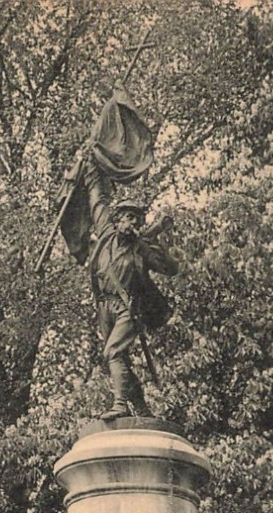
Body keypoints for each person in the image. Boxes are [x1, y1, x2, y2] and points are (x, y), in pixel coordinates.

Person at [84, 153, 179, 420]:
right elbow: (97, 201)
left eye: (137, 219)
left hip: (129, 309)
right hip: (104, 306)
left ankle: (120, 405)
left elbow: (171, 268)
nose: (132, 223)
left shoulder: (142, 249)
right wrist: (91, 167)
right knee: (119, 360)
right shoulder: (105, 236)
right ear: (117, 220)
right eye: (128, 217)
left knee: (112, 351)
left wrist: (153, 241)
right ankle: (143, 409)